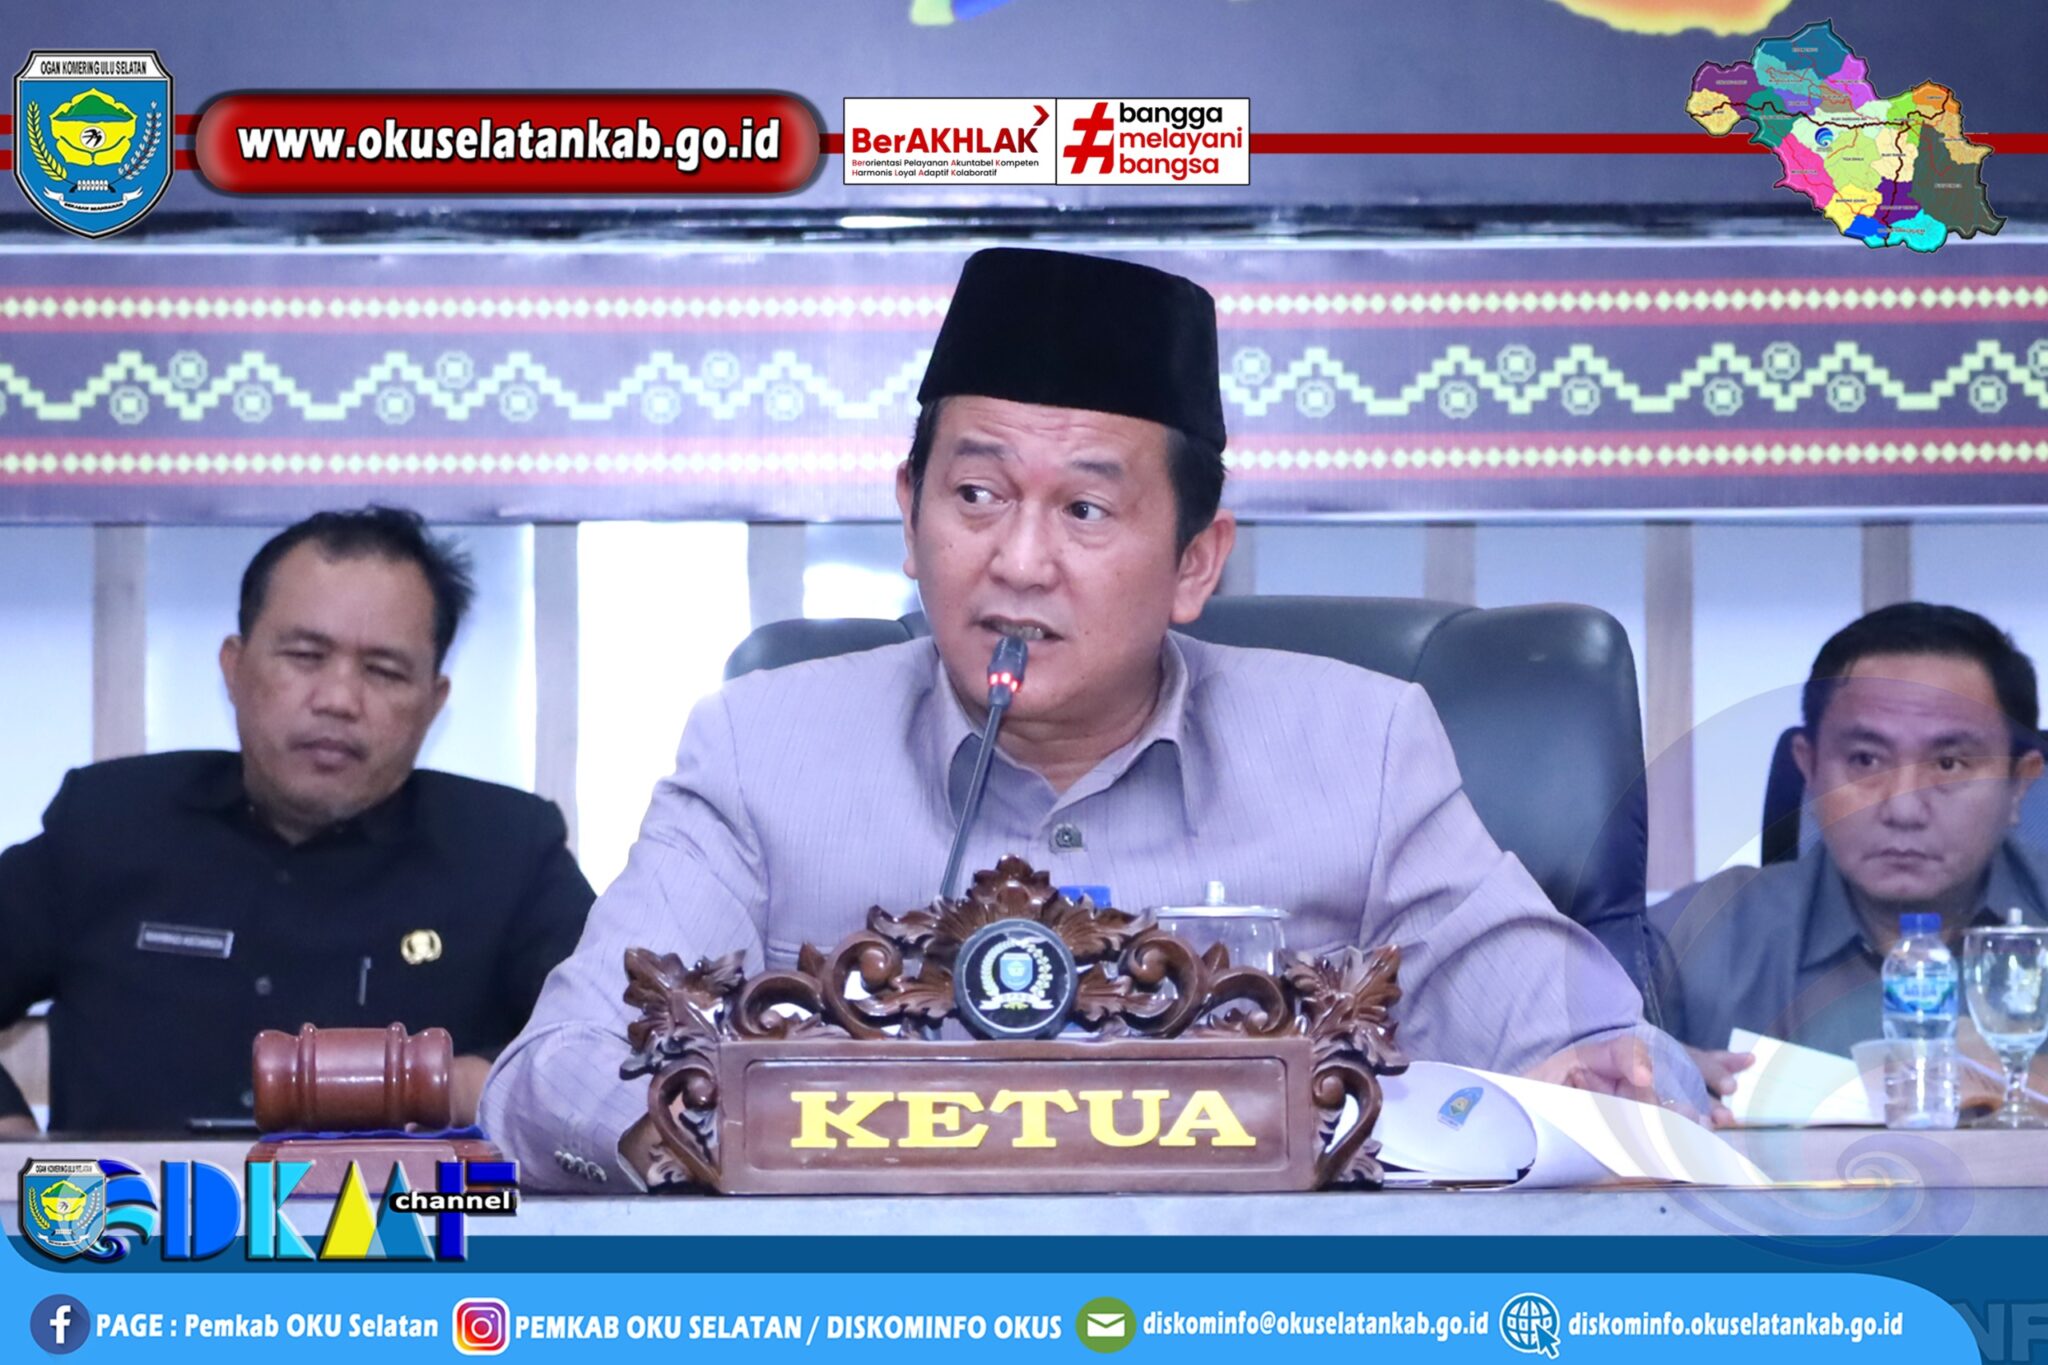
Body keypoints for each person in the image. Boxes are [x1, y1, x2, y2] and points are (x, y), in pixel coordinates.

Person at [483, 247, 1702, 1189]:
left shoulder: (1361, 750)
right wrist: (766, 1126)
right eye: (974, 495)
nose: (1016, 561)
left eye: (1082, 512)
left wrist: (1617, 1088)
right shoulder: (761, 752)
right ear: (908, 514)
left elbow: (1607, 1052)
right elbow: (551, 1081)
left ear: (1193, 561)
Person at [0, 507, 595, 1135]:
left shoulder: (507, 853)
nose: (338, 700)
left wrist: (477, 1086)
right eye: (306, 656)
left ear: (433, 701)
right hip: (130, 1201)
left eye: (384, 671)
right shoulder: (109, 824)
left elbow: (615, 1047)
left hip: (401, 1201)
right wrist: (9, 1137)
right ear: (234, 668)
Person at [1653, 602, 2048, 1109]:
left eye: (1949, 763)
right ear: (1810, 768)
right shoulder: (1701, 934)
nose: (1904, 808)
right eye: (1866, 759)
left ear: (2020, 783)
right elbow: (1569, 1060)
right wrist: (1635, 1064)